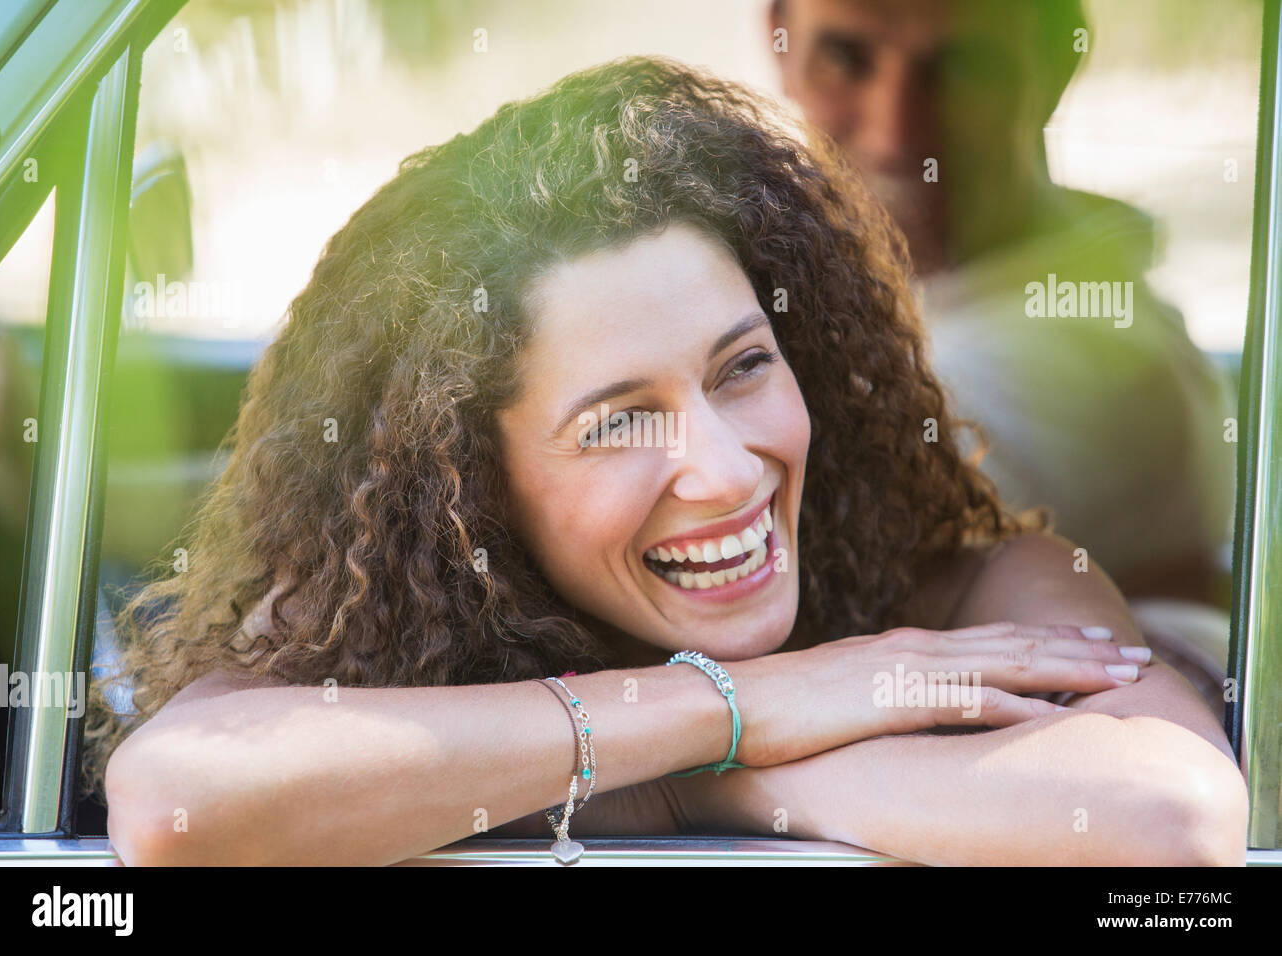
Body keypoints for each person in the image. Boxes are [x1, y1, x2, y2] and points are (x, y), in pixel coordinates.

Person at [83, 56, 1245, 866]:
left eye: (742, 367)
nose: (729, 472)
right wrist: (747, 708)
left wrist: (688, 772)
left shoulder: (980, 589)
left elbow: (1168, 814)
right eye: (617, 420)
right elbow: (179, 802)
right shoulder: (388, 643)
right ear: (471, 488)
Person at [767, 0, 1237, 610]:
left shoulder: (1067, 368)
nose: (896, 133)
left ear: (1054, 65)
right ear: (778, 40)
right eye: (844, 58)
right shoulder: (1077, 280)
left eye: (961, 67)